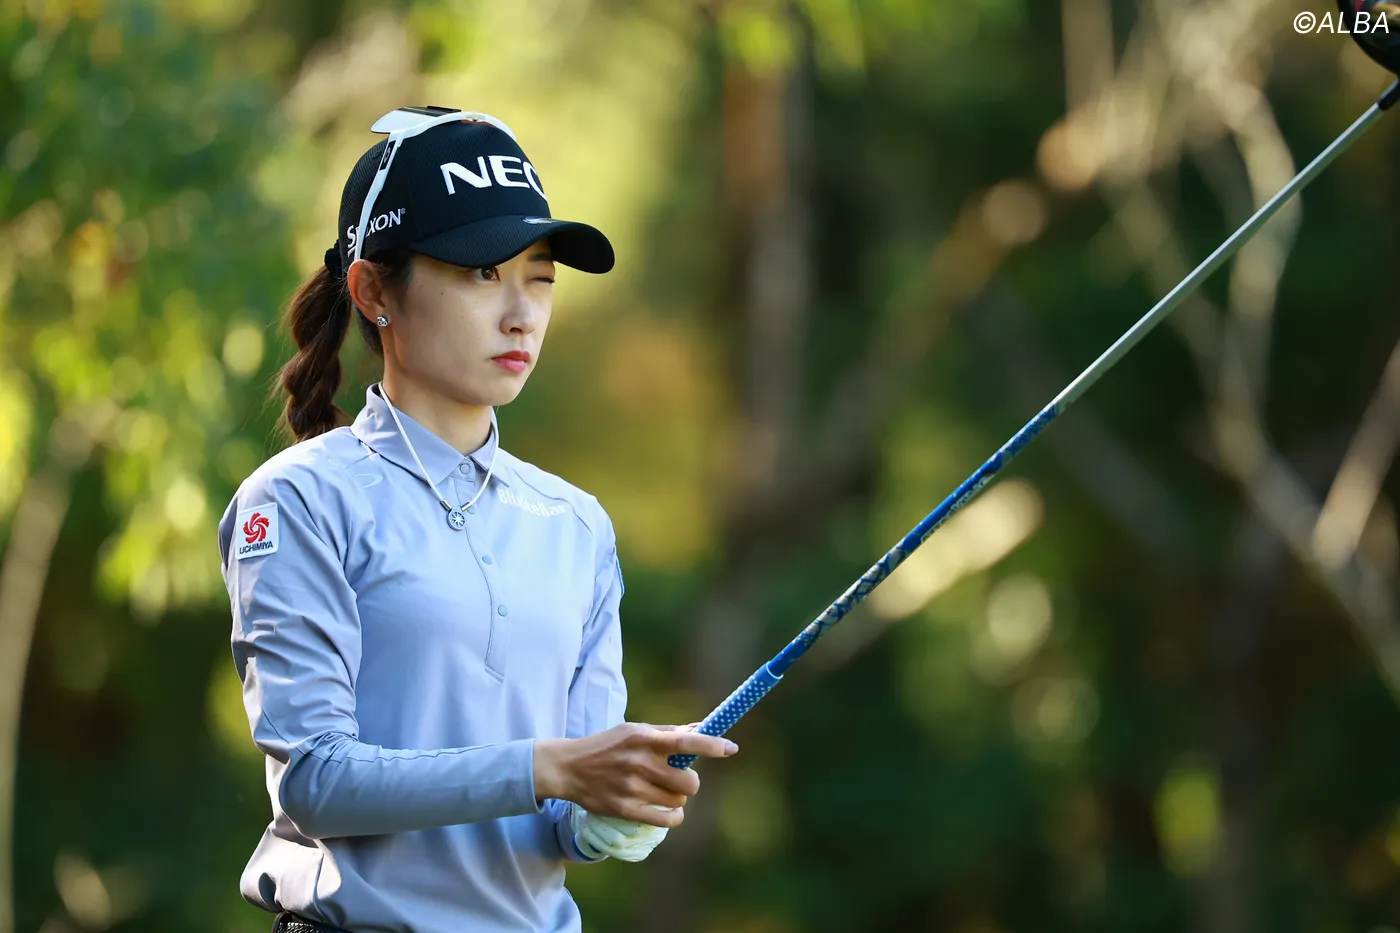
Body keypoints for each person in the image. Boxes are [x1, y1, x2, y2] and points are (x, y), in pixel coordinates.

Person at [216, 108, 737, 933]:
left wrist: (623, 807)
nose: (522, 312)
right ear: (374, 291)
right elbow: (316, 781)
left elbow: (567, 820)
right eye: (482, 272)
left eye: (541, 278)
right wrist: (548, 767)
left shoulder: (576, 526)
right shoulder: (298, 500)